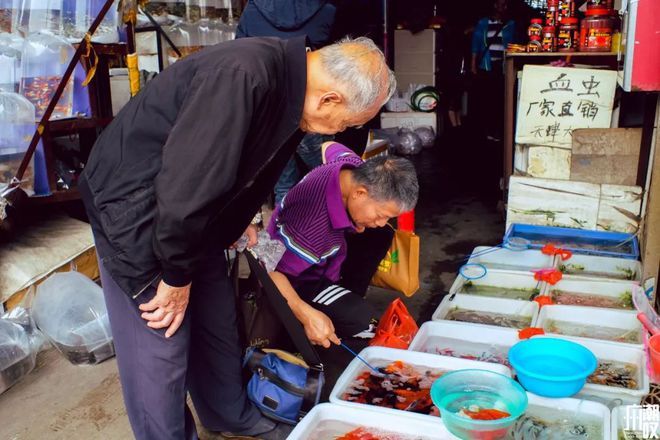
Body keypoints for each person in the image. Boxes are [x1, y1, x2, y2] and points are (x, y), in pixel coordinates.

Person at [78, 35, 395, 440]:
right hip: (139, 213)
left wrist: (234, 221)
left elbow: (235, 169)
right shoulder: (242, 77)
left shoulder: (294, 88)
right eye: (348, 123)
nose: (342, 130)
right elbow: (185, 187)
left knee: (217, 325)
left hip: (195, 218)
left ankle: (230, 416)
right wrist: (175, 278)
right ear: (329, 100)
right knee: (162, 345)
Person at [267, 141, 419, 347]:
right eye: (380, 215)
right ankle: (306, 323)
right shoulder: (311, 226)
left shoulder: (350, 166)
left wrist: (360, 221)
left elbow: (328, 145)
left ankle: (345, 294)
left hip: (326, 252)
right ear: (360, 194)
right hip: (301, 279)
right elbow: (271, 274)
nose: (382, 222)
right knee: (360, 321)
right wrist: (306, 315)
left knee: (381, 234)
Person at [236, 0, 337, 203]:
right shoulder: (327, 11)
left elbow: (240, 53)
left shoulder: (252, 9)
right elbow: (337, 63)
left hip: (268, 105)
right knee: (326, 174)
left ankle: (286, 230)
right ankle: (325, 226)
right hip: (310, 103)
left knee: (283, 180)